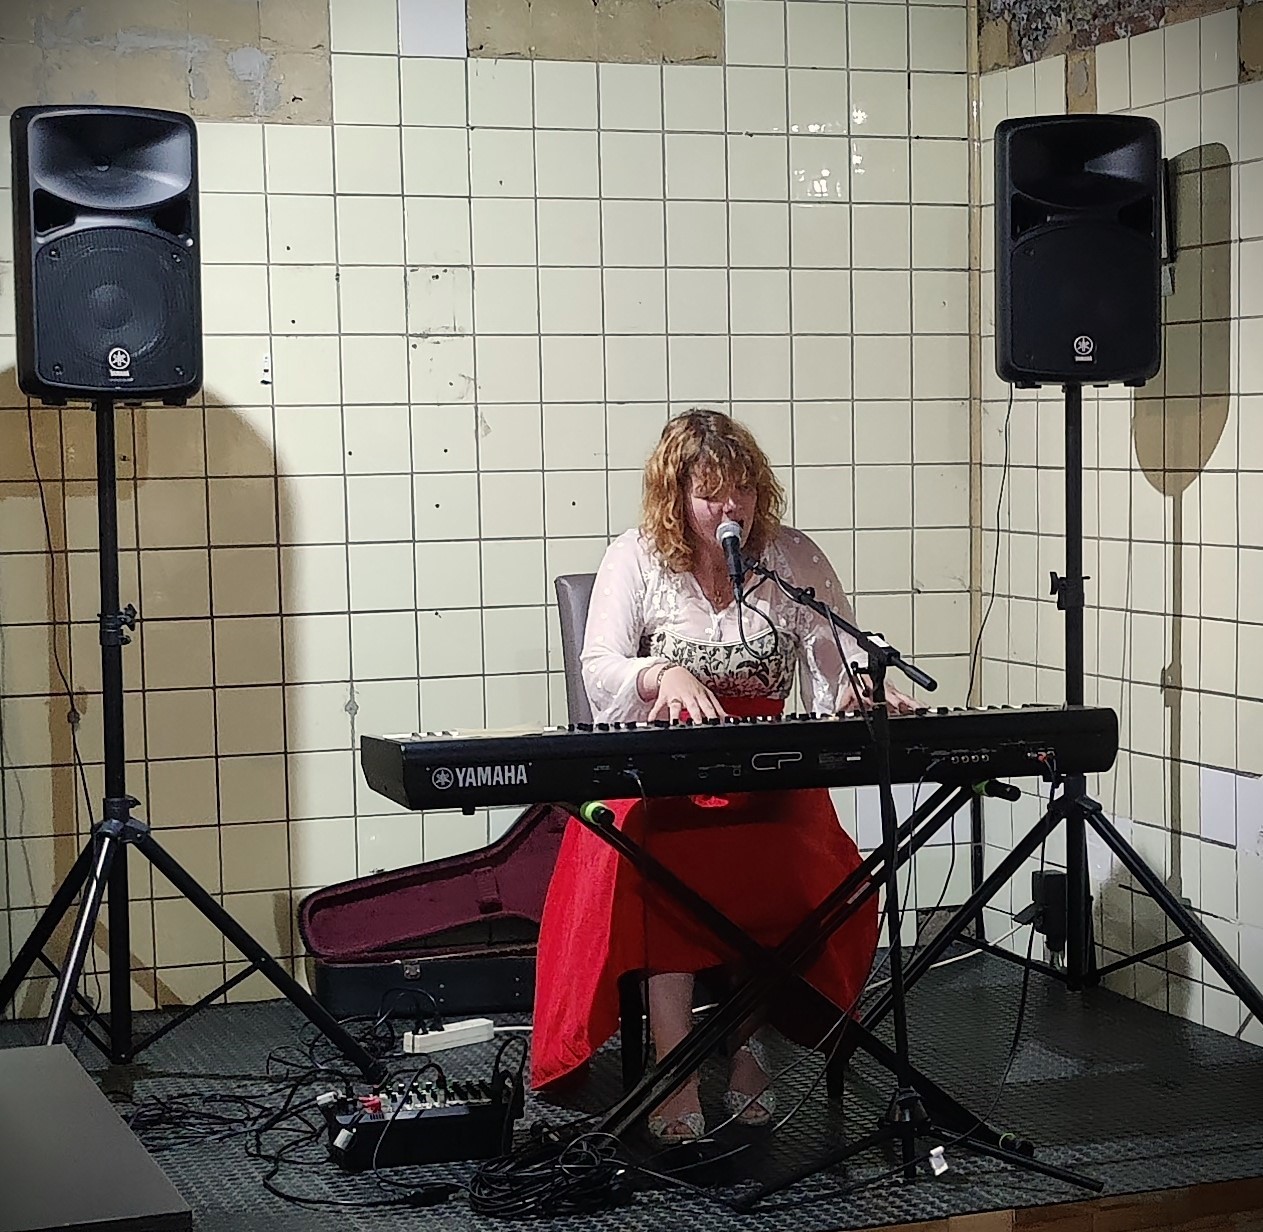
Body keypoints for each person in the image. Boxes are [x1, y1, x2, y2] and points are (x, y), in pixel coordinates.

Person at [530, 408, 917, 1143]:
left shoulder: (789, 557)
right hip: (662, 773)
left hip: (767, 772)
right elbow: (599, 668)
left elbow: (833, 659)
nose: (730, 508)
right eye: (710, 495)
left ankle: (746, 1047)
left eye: (742, 490)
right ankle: (673, 1063)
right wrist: (659, 673)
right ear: (675, 498)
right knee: (659, 860)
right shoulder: (636, 557)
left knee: (787, 858)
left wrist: (857, 685)